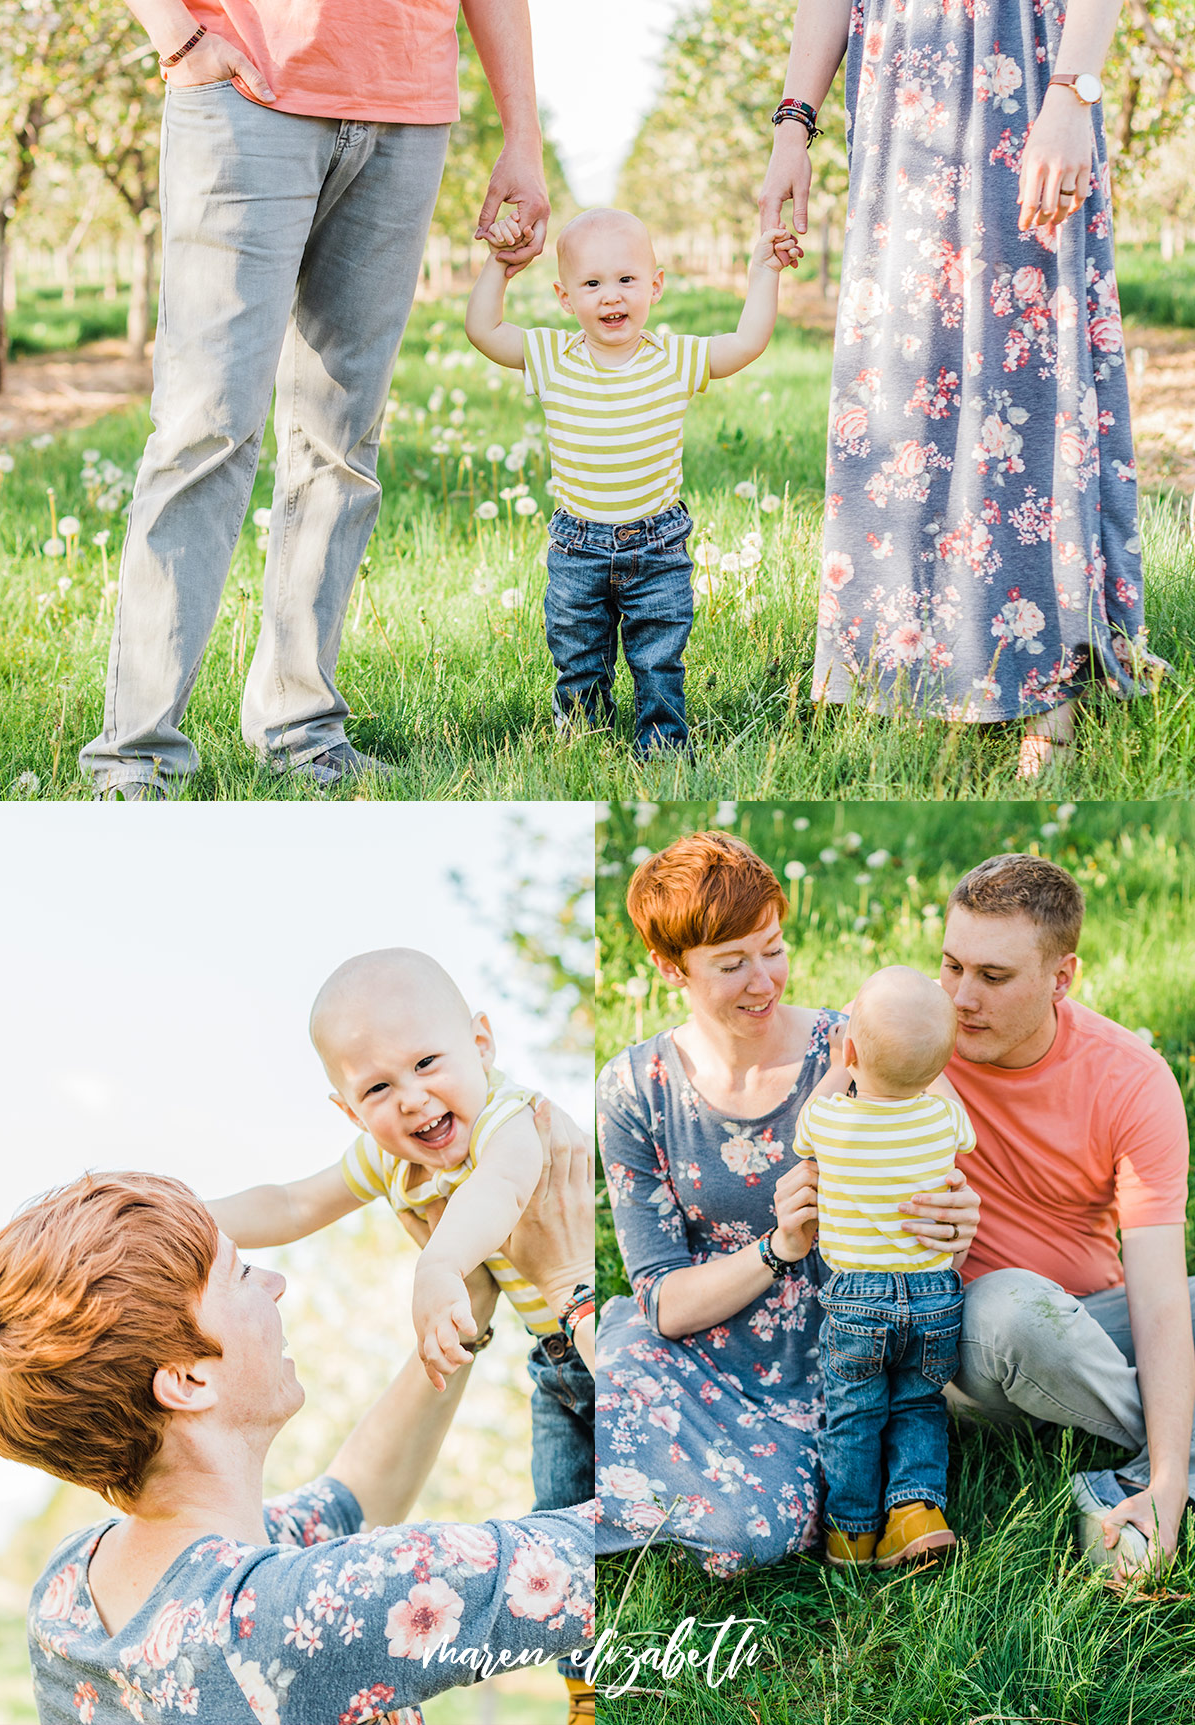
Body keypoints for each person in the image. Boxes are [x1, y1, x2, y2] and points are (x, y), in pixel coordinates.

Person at [80, 0, 549, 799]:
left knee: (342, 438)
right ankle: (137, 754)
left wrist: (524, 137)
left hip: (408, 108)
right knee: (207, 427)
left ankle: (301, 732)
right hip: (244, 90)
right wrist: (178, 35)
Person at [0, 1129, 600, 1725]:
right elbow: (656, 1527)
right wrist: (571, 1285)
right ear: (187, 1380)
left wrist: (469, 1299)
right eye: (241, 1275)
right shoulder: (280, 1618)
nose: (276, 1285)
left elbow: (354, 1496)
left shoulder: (67, 1591)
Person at [758, 0, 1159, 777]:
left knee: (1029, 364)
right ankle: (908, 672)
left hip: (1025, 65)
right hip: (902, 81)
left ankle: (1049, 688)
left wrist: (1073, 91)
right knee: (903, 379)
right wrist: (791, 126)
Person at [207, 949, 596, 1706]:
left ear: (481, 1044)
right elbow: (290, 1204)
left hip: (609, 1325)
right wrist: (190, 1212)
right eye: (379, 1087)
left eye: (427, 1062)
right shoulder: (386, 1162)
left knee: (632, 1509)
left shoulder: (511, 1117)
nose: (414, 1099)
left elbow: (504, 1185)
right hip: (553, 1367)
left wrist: (439, 1265)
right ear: (349, 1111)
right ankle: (588, 1689)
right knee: (561, 1519)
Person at [595, 832, 980, 1572]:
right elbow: (665, 1301)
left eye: (772, 946)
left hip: (842, 1354)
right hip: (703, 1346)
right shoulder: (636, 1086)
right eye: (732, 963)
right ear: (670, 968)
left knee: (762, 1535)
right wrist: (778, 1247)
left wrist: (956, 1223)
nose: (763, 981)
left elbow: (942, 1187)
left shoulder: (858, 1045)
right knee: (628, 1375)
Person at [935, 853, 1195, 1581]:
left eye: (993, 976)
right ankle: (1170, 1447)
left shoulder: (1132, 1077)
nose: (960, 997)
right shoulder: (912, 1035)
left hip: (1098, 1325)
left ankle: (1154, 1479)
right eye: (951, 965)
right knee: (1013, 1307)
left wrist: (1168, 1478)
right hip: (974, 1342)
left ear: (1062, 977)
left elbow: (1160, 1292)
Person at [464, 208, 799, 756]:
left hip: (657, 543)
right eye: (592, 284)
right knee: (577, 651)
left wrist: (764, 272)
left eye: (626, 280)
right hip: (578, 544)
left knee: (659, 654)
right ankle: (583, 736)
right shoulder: (551, 356)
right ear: (566, 298)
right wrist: (498, 267)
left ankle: (662, 743)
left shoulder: (675, 358)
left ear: (656, 286)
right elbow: (483, 330)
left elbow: (745, 343)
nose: (611, 296)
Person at [794, 966, 975, 1569]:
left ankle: (851, 1533)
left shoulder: (830, 1122)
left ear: (849, 1052)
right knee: (919, 1402)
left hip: (857, 1300)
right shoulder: (942, 1119)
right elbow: (958, 1122)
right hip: (934, 1293)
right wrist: (928, 1060)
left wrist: (839, 1065)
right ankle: (916, 1511)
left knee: (854, 1409)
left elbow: (801, 1133)